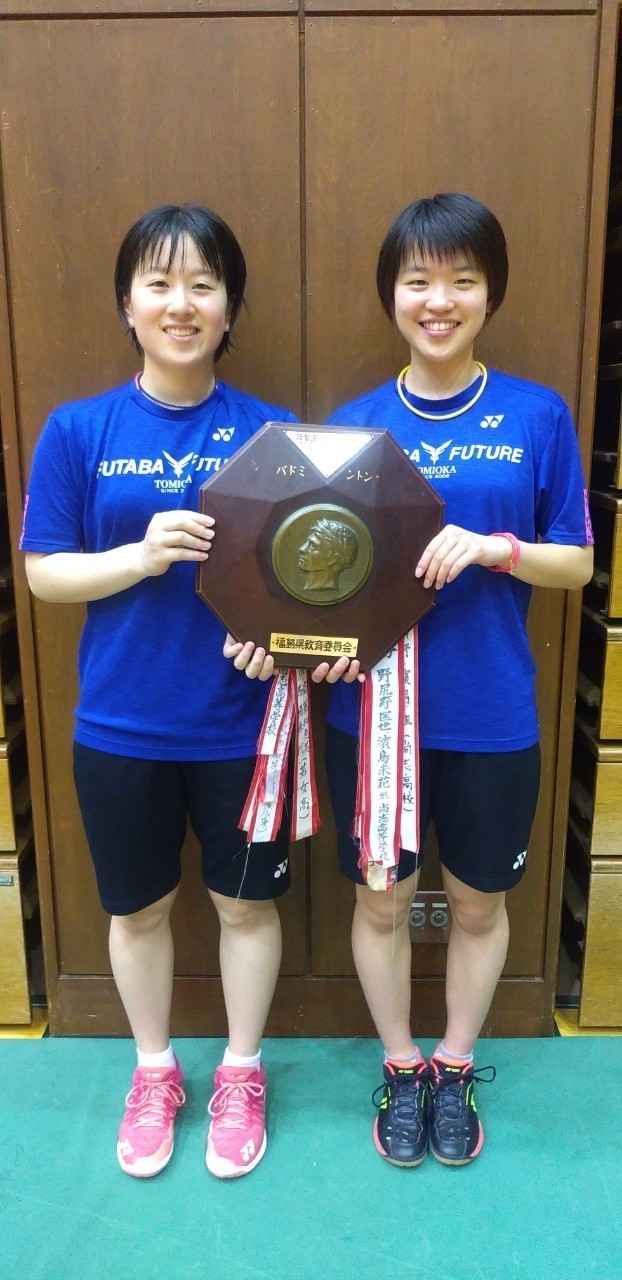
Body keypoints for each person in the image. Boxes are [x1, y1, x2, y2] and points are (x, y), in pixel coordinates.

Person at [231, 192, 594, 1169]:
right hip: (369, 716)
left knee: (476, 905)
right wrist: (314, 643)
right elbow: (312, 573)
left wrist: (496, 546)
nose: (440, 300)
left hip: (491, 710)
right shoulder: (352, 428)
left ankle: (455, 1062)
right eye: (419, 279)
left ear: (490, 293)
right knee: (383, 902)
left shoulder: (536, 415)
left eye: (462, 280)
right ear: (392, 293)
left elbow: (576, 562)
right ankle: (400, 1065)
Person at [21, 203, 303, 1181]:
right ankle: (153, 1071)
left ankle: (241, 1070)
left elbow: (315, 579)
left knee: (244, 909)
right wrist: (138, 558)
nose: (181, 304)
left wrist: (281, 647)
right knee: (137, 912)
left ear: (229, 308)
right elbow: (44, 574)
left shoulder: (271, 434)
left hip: (241, 726)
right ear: (127, 303)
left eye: (203, 285)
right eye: (159, 283)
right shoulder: (78, 430)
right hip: (120, 723)